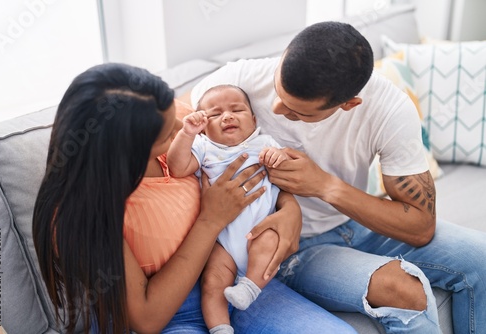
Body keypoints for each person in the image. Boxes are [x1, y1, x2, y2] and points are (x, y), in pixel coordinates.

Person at [190, 21, 486, 334]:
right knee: (403, 289)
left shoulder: (389, 109)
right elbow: (177, 124)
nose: (277, 109)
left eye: (298, 113)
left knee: (480, 257)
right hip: (291, 246)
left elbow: (421, 226)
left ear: (349, 104)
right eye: (278, 93)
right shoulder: (236, 80)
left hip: (357, 221)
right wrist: (289, 211)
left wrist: (323, 186)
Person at [32, 63, 357, 334]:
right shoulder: (82, 214)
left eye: (174, 114)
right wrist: (210, 219)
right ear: (126, 152)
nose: (181, 125)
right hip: (173, 313)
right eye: (167, 133)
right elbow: (146, 318)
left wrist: (289, 208)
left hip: (240, 276)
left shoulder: (178, 122)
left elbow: (249, 158)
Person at [167, 84, 293, 333]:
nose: (227, 116)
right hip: (221, 242)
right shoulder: (204, 148)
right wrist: (187, 133)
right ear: (204, 125)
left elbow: (288, 171)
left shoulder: (265, 143)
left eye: (237, 109)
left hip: (260, 231)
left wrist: (279, 159)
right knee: (212, 283)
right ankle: (220, 328)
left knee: (270, 240)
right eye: (214, 114)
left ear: (254, 119)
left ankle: (249, 288)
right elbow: (178, 167)